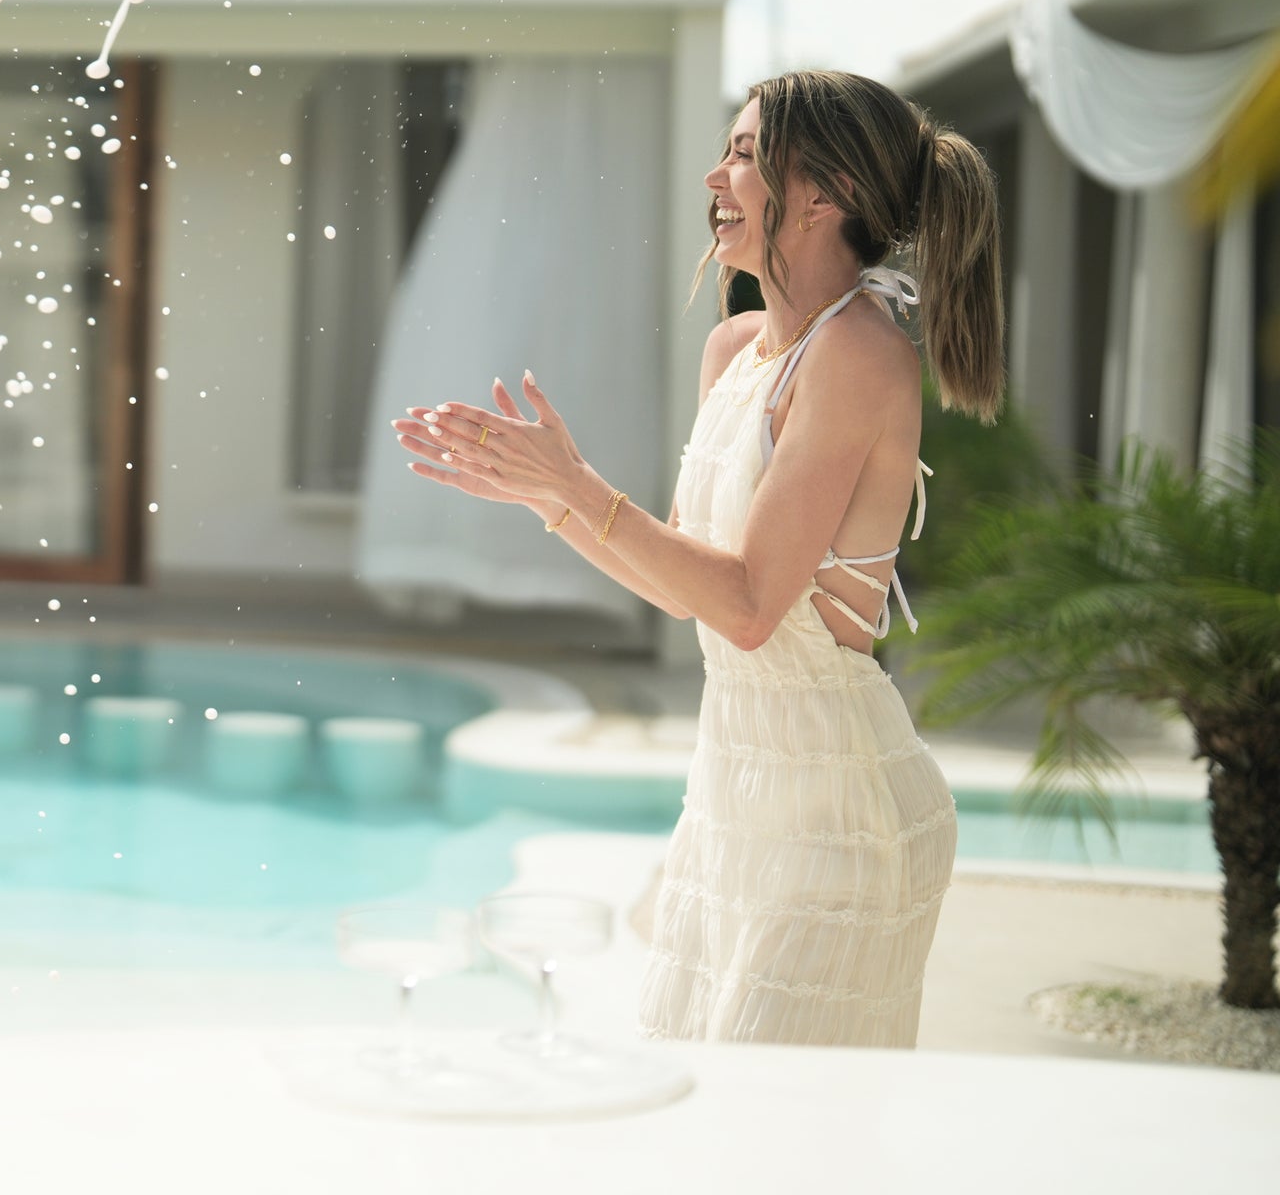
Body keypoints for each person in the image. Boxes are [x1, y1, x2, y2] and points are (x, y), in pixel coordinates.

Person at [394, 68, 1002, 1047]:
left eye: (747, 152)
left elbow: (754, 606)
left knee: (780, 1140)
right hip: (735, 798)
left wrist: (583, 488)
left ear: (821, 192)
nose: (717, 174)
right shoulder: (735, 347)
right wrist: (549, 493)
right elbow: (689, 590)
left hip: (838, 814)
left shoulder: (861, 354)